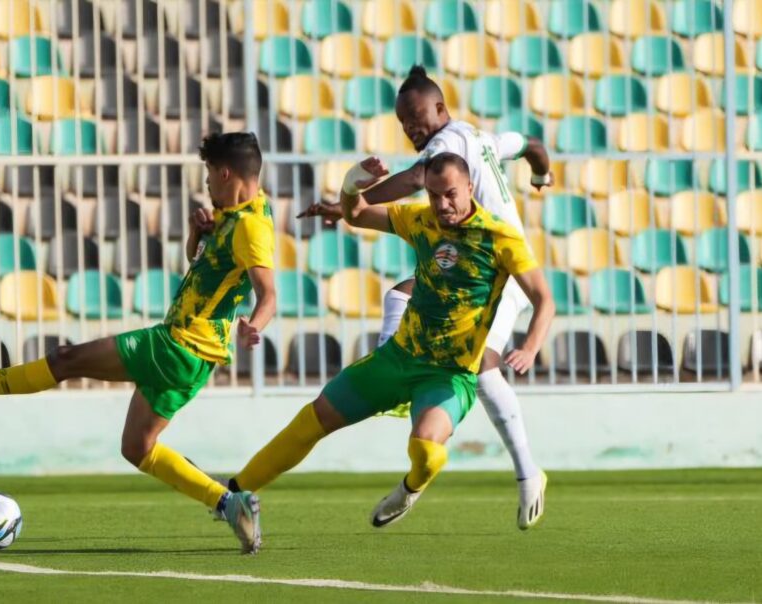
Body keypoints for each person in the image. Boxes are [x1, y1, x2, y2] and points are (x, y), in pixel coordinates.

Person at [0, 132, 276, 555]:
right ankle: (231, 506)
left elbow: (267, 293)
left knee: (65, 360)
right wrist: (199, 235)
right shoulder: (242, 211)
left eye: (210, 173)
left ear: (226, 172)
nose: (207, 182)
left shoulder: (251, 226)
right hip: (195, 359)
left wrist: (255, 326)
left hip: (176, 345)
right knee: (137, 449)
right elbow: (207, 265)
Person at [229, 153, 554, 529]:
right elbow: (356, 214)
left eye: (450, 194)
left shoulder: (500, 236)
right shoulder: (421, 220)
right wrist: (352, 183)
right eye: (433, 195)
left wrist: (530, 347)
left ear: (469, 187)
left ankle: (409, 490)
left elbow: (544, 299)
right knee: (312, 419)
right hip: (398, 359)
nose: (442, 204)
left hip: (448, 376)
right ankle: (233, 492)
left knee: (427, 453)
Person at [301, 66, 554, 529]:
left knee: (479, 366)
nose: (412, 129)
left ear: (442, 108)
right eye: (404, 123)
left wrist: (349, 204)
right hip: (474, 266)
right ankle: (396, 374)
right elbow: (532, 145)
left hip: (502, 271)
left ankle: (528, 474)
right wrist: (542, 174)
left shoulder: (445, 146)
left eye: (417, 117)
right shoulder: (479, 137)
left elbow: (418, 178)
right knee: (401, 294)